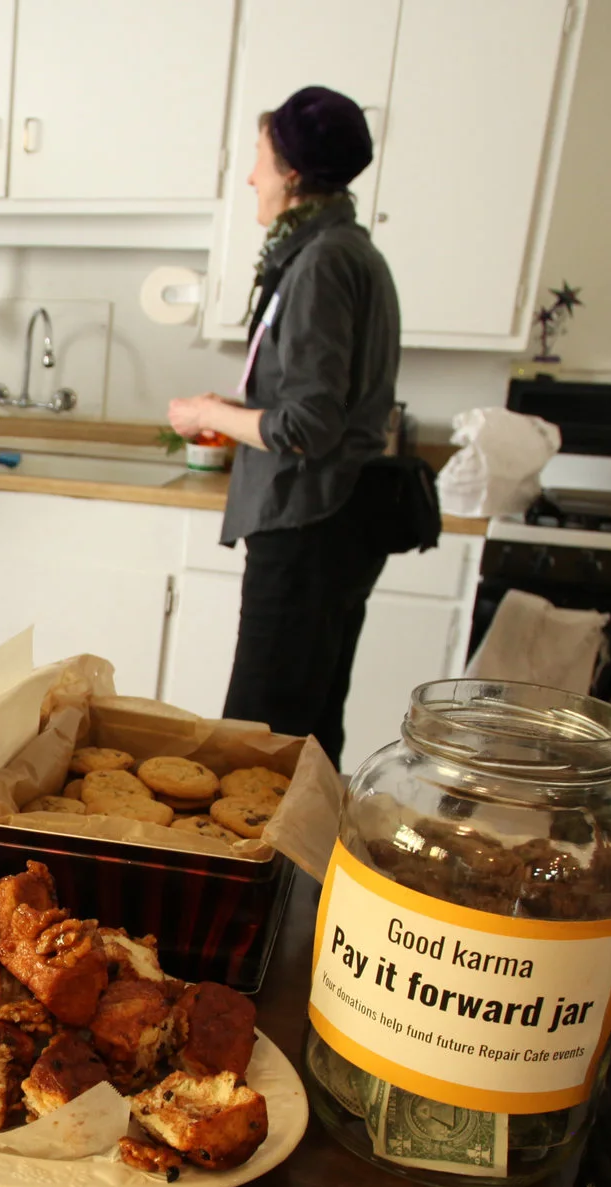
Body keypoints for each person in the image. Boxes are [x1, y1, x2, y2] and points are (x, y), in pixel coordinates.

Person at [167, 87, 399, 758]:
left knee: (258, 740)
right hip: (328, 525)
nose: (249, 176)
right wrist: (235, 411)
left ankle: (257, 864)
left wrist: (210, 413)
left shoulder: (322, 262)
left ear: (293, 173)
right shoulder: (348, 249)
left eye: (261, 159)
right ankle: (302, 865)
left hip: (304, 527)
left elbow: (307, 423)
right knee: (309, 732)